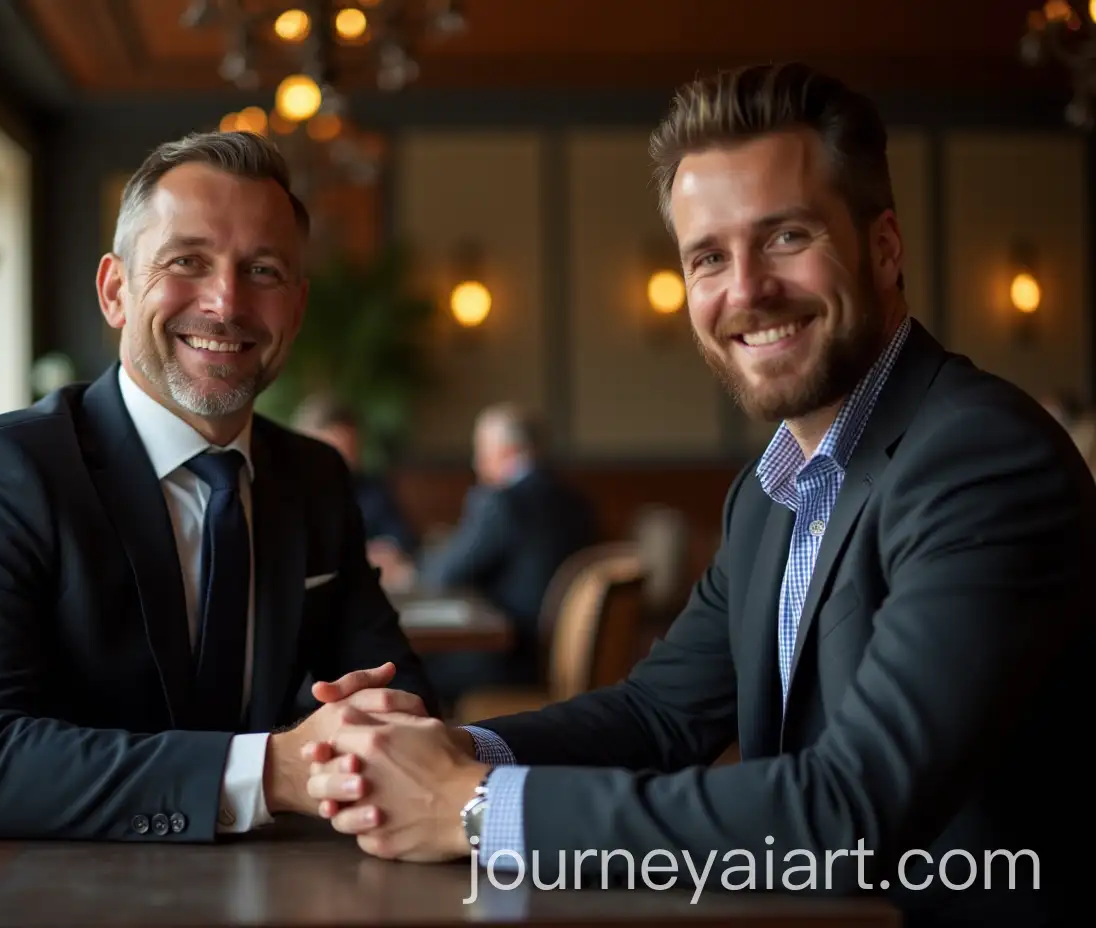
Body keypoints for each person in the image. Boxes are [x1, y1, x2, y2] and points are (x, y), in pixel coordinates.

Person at [300, 63, 1094, 927]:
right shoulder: (769, 492)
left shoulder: (979, 458)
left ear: (886, 247)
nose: (745, 289)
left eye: (787, 237)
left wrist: (474, 806)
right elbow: (656, 716)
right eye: (709, 257)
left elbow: (851, 815)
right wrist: (443, 749)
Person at [0, 130, 437, 924]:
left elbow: (398, 692)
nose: (226, 303)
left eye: (262, 271)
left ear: (296, 308)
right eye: (187, 261)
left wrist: (367, 728)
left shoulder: (313, 477)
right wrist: (273, 769)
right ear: (115, 290)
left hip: (251, 884)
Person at [413, 403, 597, 708]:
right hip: (554, 657)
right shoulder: (576, 502)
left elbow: (445, 576)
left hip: (511, 660)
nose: (475, 462)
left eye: (480, 450)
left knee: (406, 667)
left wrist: (416, 562)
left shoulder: (501, 502)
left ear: (507, 451)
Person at [291, 393, 419, 586]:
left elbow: (403, 539)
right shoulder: (281, 492)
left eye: (350, 451)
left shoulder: (373, 491)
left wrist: (388, 550)